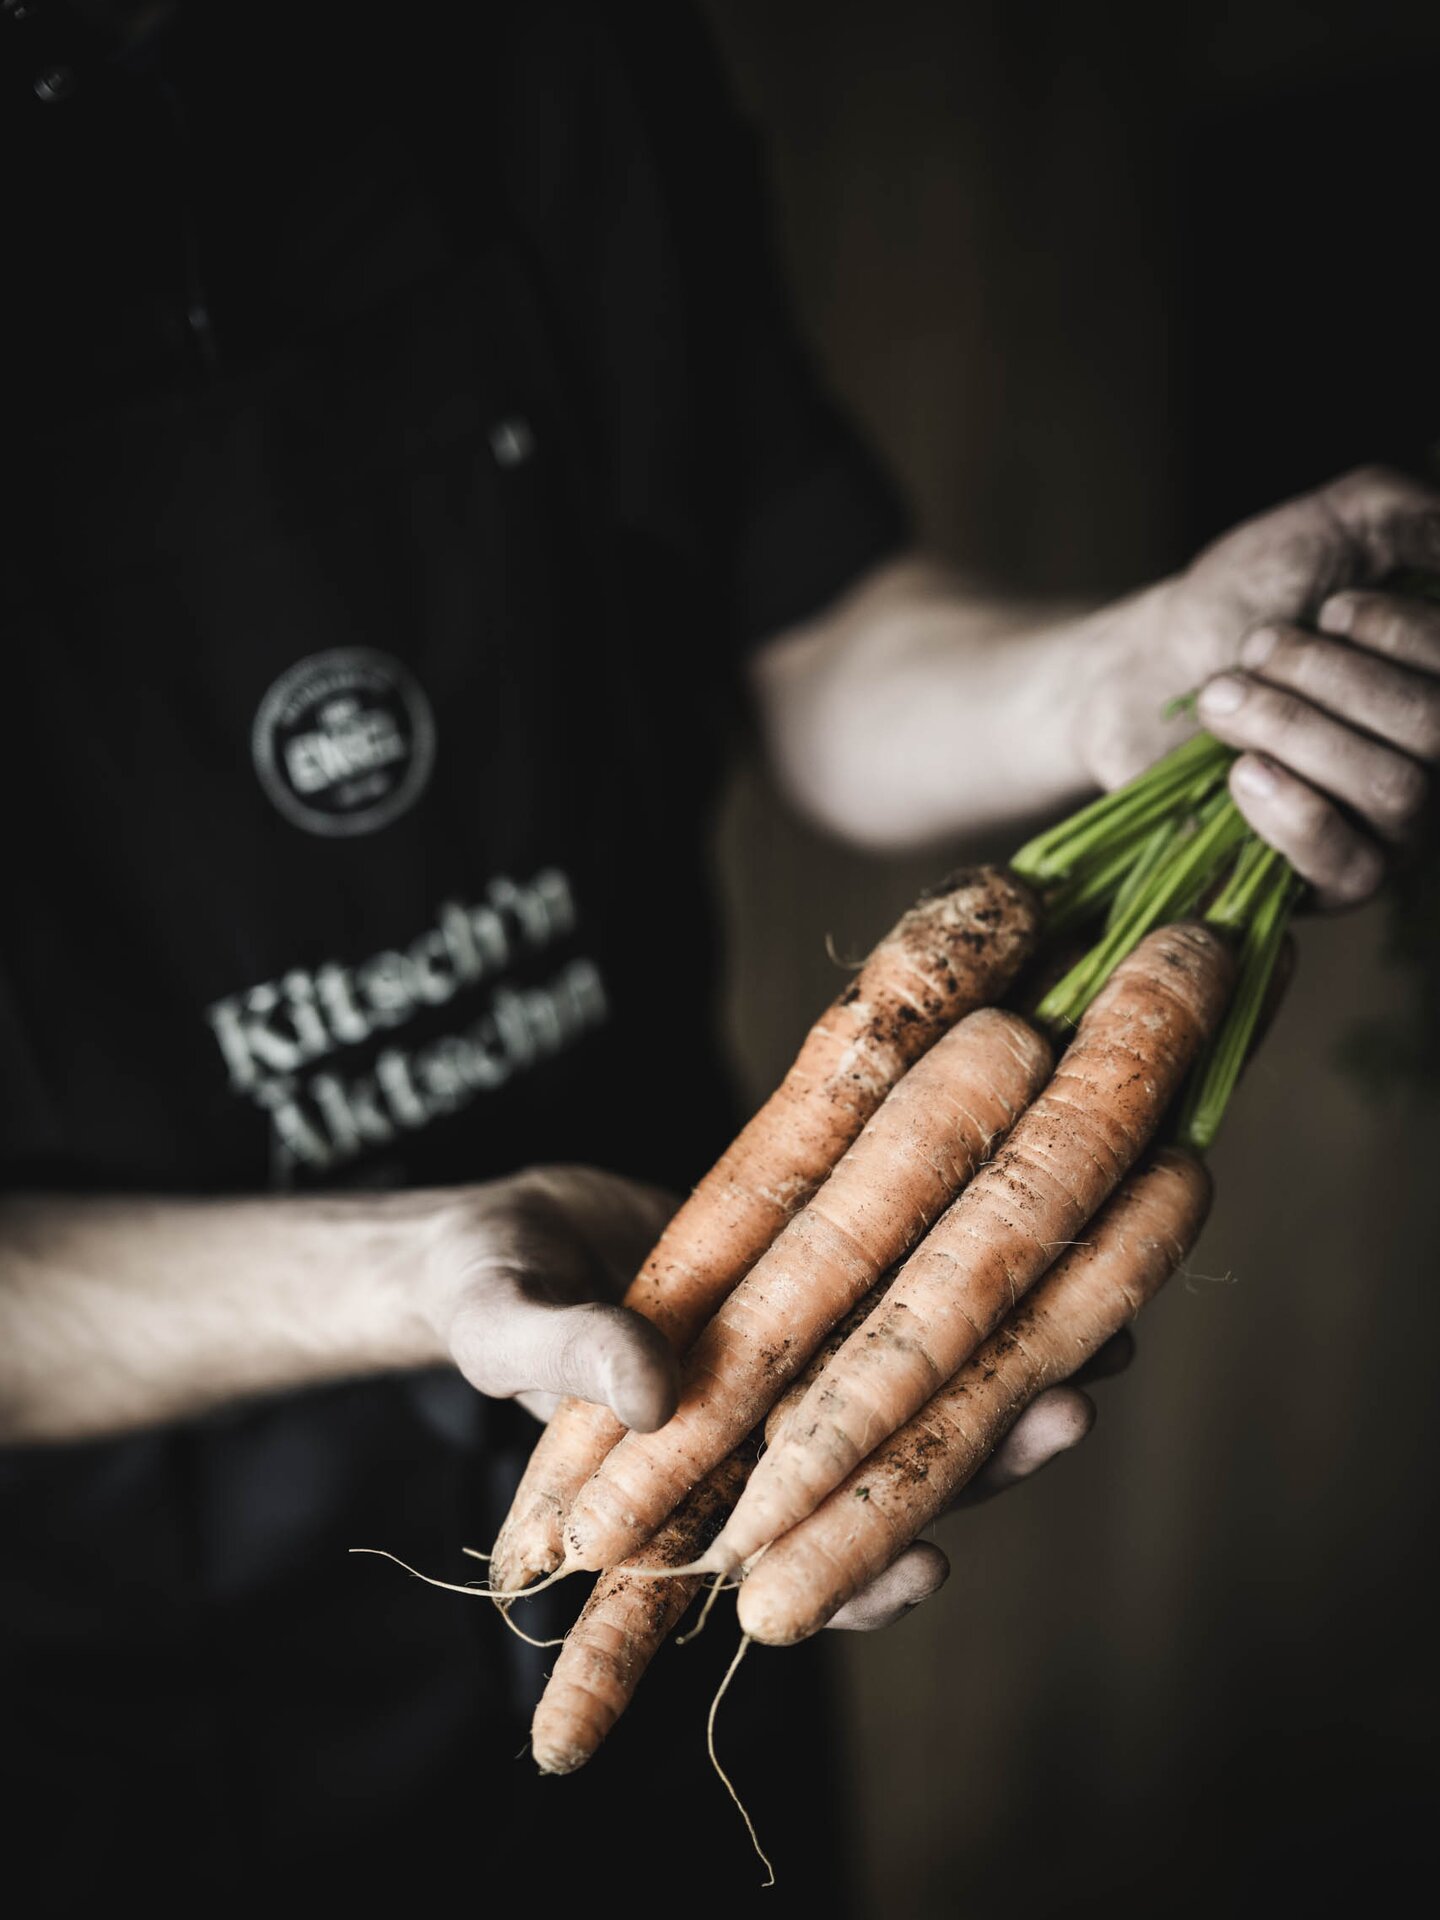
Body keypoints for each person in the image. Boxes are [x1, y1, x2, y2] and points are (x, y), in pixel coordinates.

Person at [3, 2, 1438, 1913]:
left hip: (723, 1359)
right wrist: (415, 1269)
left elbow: (814, 631)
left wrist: (1114, 676)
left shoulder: (545, 53)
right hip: (139, 1687)